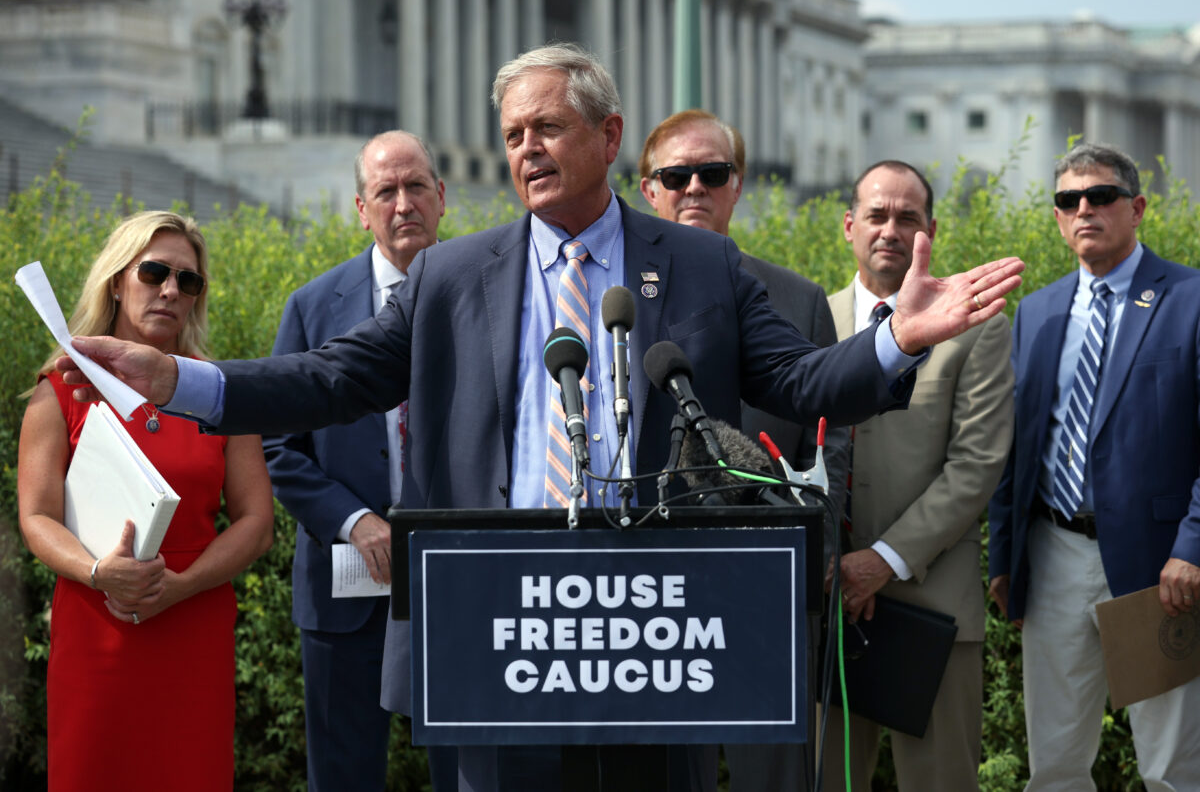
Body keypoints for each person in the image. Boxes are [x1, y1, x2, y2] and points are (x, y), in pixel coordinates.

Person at [58, 45, 1023, 792]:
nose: (526, 148)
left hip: (658, 629)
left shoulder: (698, 267)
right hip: (498, 626)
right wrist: (187, 381)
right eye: (514, 132)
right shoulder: (448, 275)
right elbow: (330, 378)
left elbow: (807, 380)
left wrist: (899, 337)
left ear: (609, 138)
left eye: (549, 127)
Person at [17, 211, 274, 791]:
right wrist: (100, 571)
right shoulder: (63, 387)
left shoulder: (219, 395)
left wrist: (181, 585)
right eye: (154, 271)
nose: (170, 290)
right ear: (116, 280)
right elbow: (35, 517)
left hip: (195, 622)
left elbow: (257, 524)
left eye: (189, 281)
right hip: (97, 627)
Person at [639, 109, 851, 791]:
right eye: (676, 175)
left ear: (739, 185)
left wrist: (813, 550)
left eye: (712, 173)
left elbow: (831, 437)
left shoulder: (796, 297)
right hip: (645, 594)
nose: (694, 187)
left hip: (769, 586)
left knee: (776, 778)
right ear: (649, 189)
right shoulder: (613, 295)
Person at [988, 142, 1200, 790]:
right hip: (1053, 553)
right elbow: (1015, 444)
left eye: (1101, 196)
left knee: (1170, 765)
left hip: (1158, 563)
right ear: (1057, 218)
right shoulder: (1039, 311)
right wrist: (1005, 558)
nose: (1085, 210)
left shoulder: (1190, 299)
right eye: (1068, 200)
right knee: (1053, 763)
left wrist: (1193, 545)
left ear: (1135, 208)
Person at [821, 160, 1013, 792]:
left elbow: (977, 465)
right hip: (825, 605)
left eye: (908, 218)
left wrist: (881, 560)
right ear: (850, 226)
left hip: (931, 611)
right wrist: (836, 564)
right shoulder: (810, 322)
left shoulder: (977, 329)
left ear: (931, 229)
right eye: (877, 215)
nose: (890, 230)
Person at [262, 130, 445, 791]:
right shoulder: (314, 307)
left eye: (416, 186)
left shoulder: (483, 296)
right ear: (361, 209)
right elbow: (279, 444)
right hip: (346, 585)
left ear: (442, 196)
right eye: (385, 192)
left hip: (456, 578)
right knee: (342, 776)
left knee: (473, 770)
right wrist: (354, 520)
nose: (404, 204)